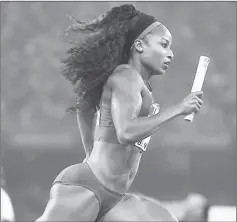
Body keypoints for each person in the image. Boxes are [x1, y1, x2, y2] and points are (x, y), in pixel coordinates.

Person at [36, 4, 203, 222]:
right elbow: (126, 132)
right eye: (164, 45)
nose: (170, 54)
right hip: (88, 188)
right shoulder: (127, 76)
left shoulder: (140, 86)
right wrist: (179, 109)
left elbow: (84, 105)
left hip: (115, 197)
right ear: (139, 45)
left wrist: (90, 151)